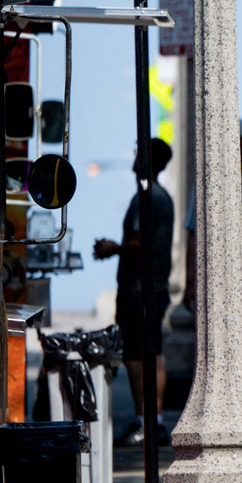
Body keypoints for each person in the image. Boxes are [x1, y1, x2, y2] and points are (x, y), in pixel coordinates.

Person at [94, 138, 176, 447]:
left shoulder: (147, 197)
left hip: (140, 290)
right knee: (150, 352)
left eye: (139, 153)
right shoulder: (160, 197)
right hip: (152, 288)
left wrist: (112, 248)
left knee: (137, 356)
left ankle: (146, 421)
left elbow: (142, 243)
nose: (134, 158)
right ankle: (152, 421)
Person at [182, 117, 242, 389]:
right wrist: (189, 279)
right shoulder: (207, 181)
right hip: (214, 276)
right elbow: (193, 232)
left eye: (237, 140)